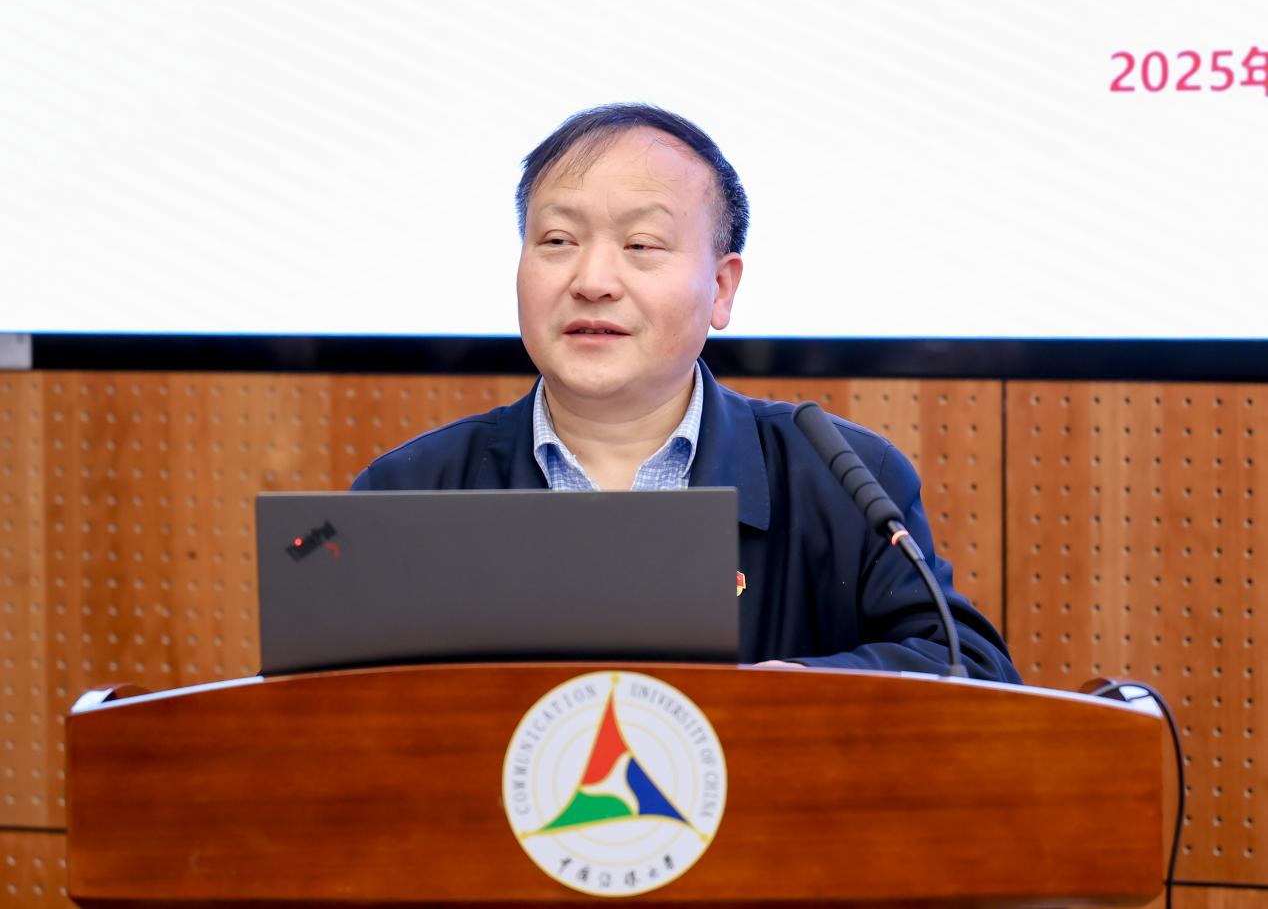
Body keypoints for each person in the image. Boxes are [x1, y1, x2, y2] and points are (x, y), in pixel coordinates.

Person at [352, 103, 1020, 682]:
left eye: (642, 244)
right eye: (557, 239)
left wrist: (798, 695)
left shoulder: (840, 480)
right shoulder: (410, 490)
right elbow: (321, 708)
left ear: (721, 289)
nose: (593, 280)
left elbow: (970, 667)